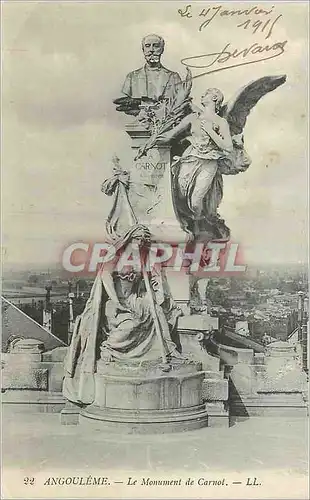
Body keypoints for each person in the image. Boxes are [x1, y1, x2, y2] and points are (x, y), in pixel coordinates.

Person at [158, 87, 234, 239]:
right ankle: (192, 225)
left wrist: (211, 131)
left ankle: (197, 228)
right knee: (180, 195)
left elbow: (228, 147)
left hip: (209, 162)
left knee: (195, 201)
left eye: (206, 93)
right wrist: (151, 139)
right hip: (189, 159)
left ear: (215, 98)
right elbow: (169, 137)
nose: (203, 95)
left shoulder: (221, 122)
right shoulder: (193, 118)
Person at [121, 34, 182, 102]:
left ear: (162, 50)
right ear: (143, 50)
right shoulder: (132, 77)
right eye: (147, 46)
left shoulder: (173, 77)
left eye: (156, 46)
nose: (151, 50)